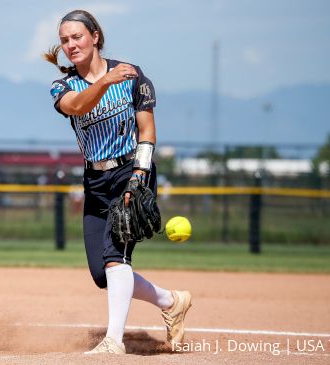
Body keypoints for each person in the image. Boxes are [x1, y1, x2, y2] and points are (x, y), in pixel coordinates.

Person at [45, 9, 192, 355]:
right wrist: (103, 82)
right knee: (102, 273)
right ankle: (172, 302)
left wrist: (140, 176)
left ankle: (113, 341)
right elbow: (77, 107)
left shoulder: (131, 75)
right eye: (64, 40)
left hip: (131, 172)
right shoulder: (63, 85)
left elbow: (148, 131)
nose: (70, 44)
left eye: (77, 36)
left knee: (115, 257)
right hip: (95, 179)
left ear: (95, 36)